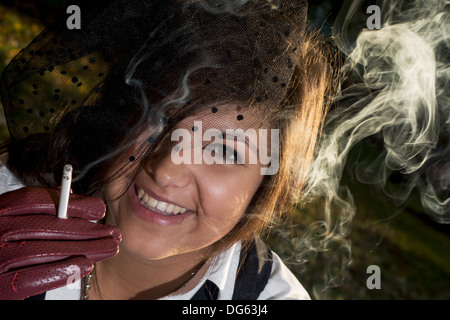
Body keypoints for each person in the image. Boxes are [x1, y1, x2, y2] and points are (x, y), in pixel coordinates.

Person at [0, 0, 336, 300]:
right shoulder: (9, 196)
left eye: (223, 150)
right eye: (157, 119)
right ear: (117, 115)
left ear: (264, 184)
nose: (165, 171)